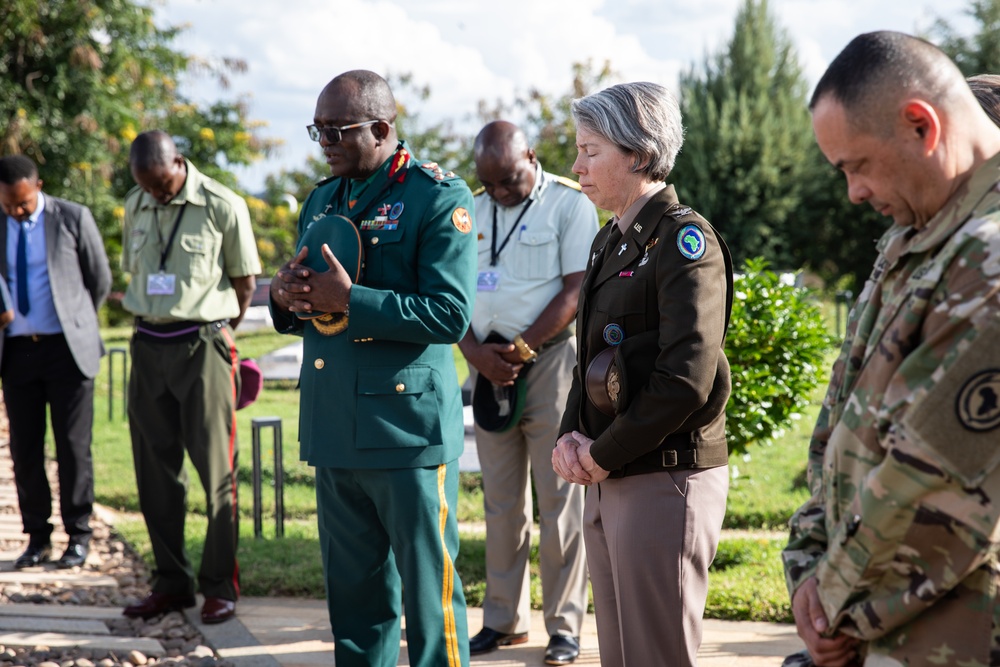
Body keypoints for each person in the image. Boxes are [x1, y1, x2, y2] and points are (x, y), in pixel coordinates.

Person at [782, 31, 1000, 667]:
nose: (852, 192)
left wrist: (834, 601)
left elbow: (933, 480)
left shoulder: (987, 257)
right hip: (880, 623)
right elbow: (845, 422)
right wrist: (807, 569)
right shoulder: (922, 235)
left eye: (857, 165)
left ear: (919, 125)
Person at [269, 70, 477, 667]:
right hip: (334, 425)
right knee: (356, 604)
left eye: (338, 129)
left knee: (428, 600)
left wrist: (351, 300)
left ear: (383, 128)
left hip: (403, 432)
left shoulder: (437, 197)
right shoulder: (321, 198)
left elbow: (449, 314)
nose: (325, 141)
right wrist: (288, 297)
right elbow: (311, 301)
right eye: (318, 129)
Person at [552, 82, 733, 667]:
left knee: (655, 656)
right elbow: (590, 358)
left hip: (663, 474)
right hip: (612, 470)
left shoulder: (684, 242)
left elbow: (685, 378)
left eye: (590, 150)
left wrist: (603, 452)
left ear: (639, 154)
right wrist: (570, 438)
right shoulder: (613, 239)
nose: (576, 166)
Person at [459, 121, 596, 665]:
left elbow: (577, 287)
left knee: (560, 498)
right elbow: (449, 289)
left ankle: (564, 628)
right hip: (485, 364)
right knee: (500, 502)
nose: (498, 193)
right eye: (488, 183)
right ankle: (502, 620)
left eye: (508, 180)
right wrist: (475, 354)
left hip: (548, 362)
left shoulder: (568, 204)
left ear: (531, 158)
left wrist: (521, 349)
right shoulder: (468, 208)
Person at [120, 130, 260, 625]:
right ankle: (171, 583)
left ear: (178, 162)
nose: (157, 195)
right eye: (148, 188)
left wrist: (219, 333)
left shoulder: (224, 204)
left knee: (216, 471)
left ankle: (220, 585)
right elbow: (134, 273)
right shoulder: (135, 203)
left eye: (162, 185)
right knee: (154, 472)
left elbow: (245, 284)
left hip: (202, 344)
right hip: (147, 345)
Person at [0, 155, 111, 570]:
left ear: (38, 186)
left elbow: (98, 279)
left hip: (67, 349)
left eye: (24, 203)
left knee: (73, 448)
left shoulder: (72, 217)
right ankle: (37, 539)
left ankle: (78, 536)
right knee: (26, 450)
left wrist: (75, 320)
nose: (17, 211)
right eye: (9, 204)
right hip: (16, 352)